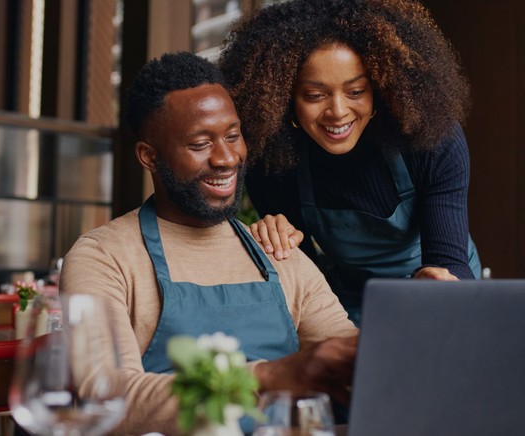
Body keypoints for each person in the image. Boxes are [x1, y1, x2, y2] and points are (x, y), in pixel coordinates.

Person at [59, 52, 357, 435]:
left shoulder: (277, 249)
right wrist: (268, 376)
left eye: (233, 135)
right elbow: (106, 395)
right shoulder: (102, 257)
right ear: (149, 157)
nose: (227, 158)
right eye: (201, 144)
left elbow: (348, 357)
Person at [218, 0, 481, 323]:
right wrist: (277, 243)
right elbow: (307, 278)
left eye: (356, 91)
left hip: (438, 294)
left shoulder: (431, 141)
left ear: (380, 89)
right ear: (285, 98)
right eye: (315, 95)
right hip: (350, 300)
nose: (338, 112)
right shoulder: (273, 162)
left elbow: (451, 263)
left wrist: (439, 282)